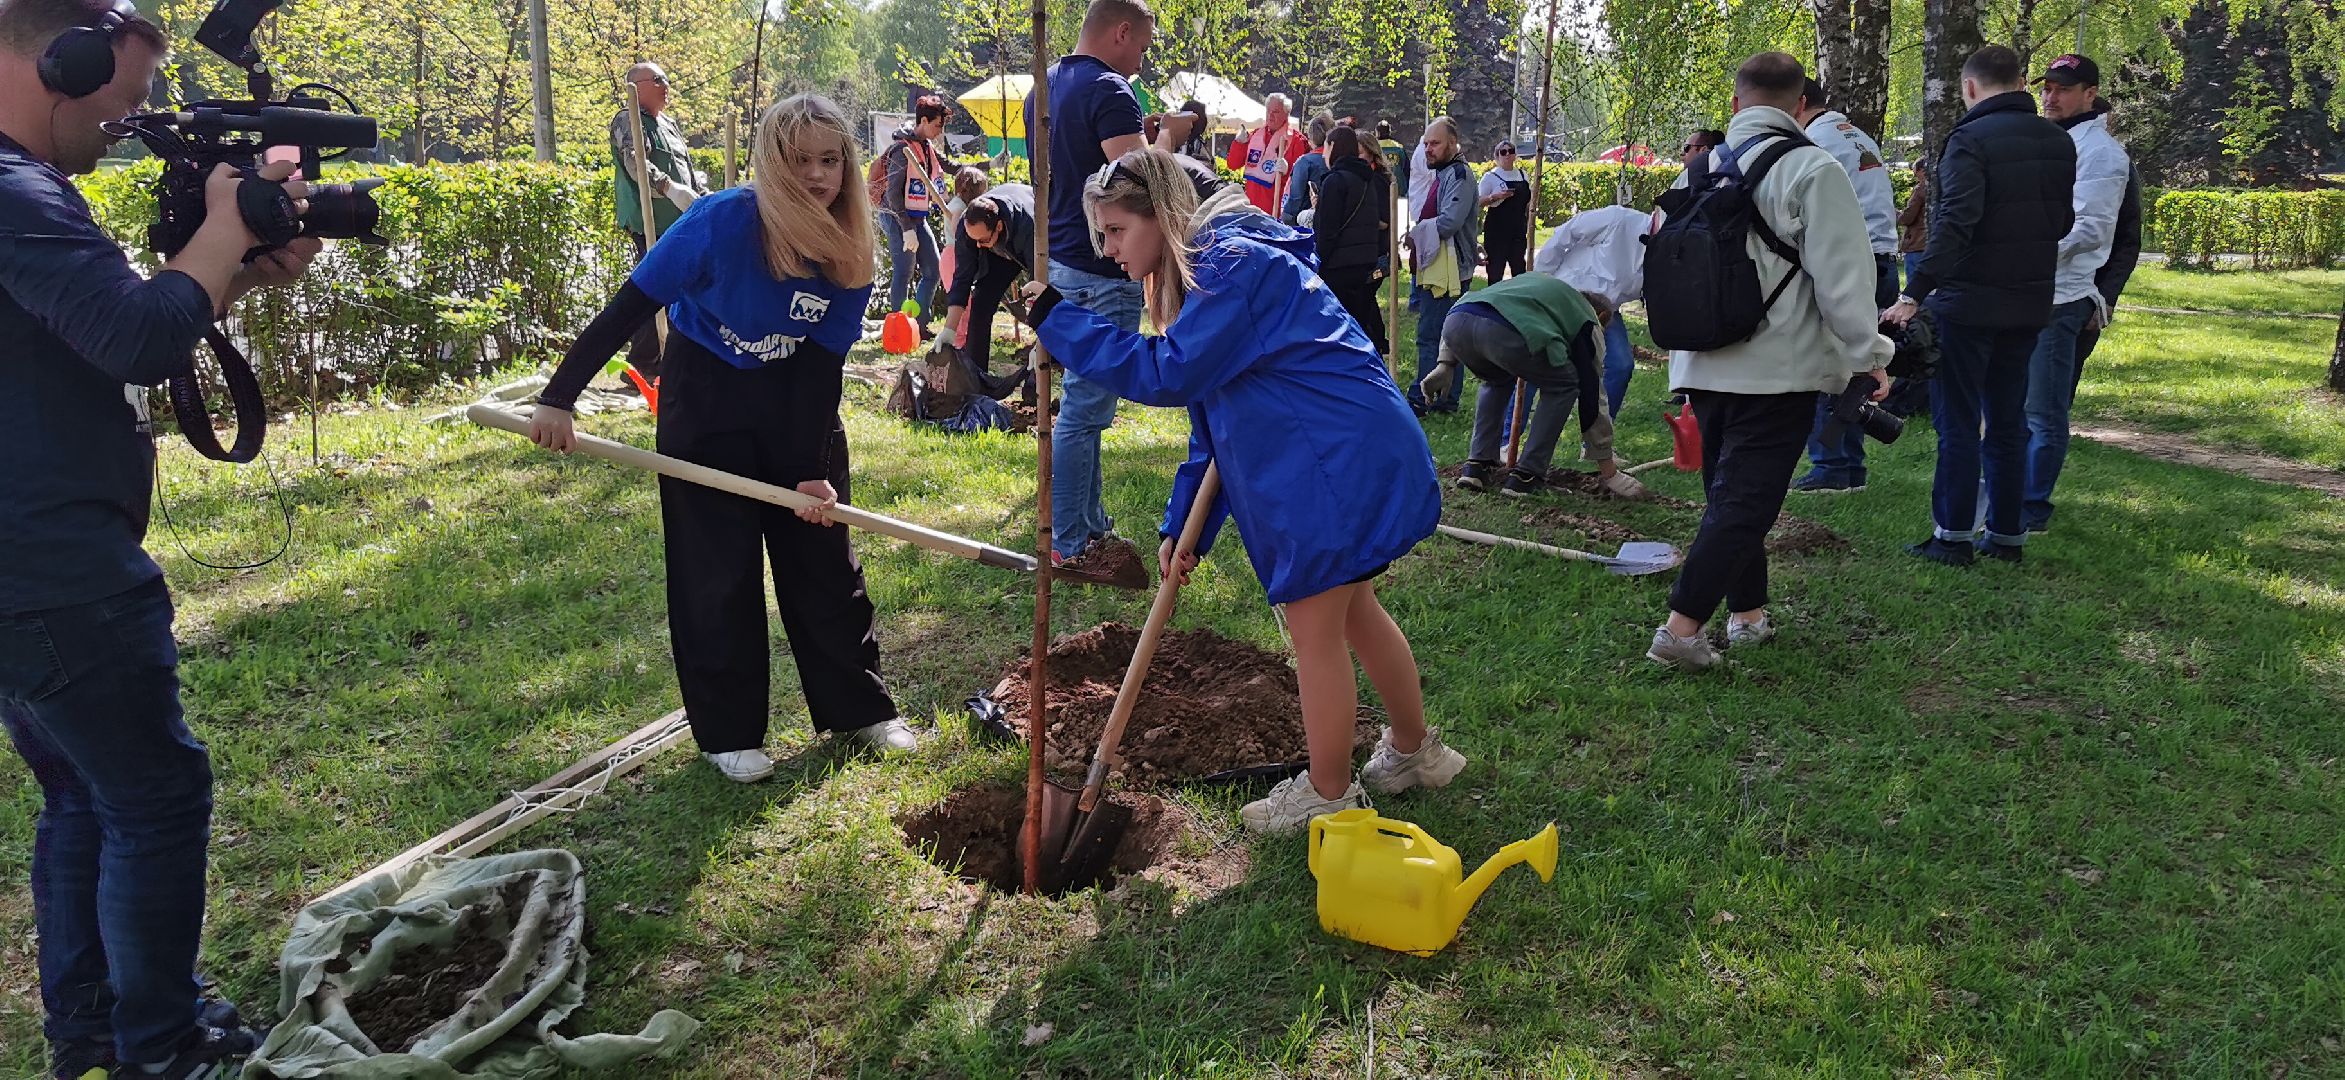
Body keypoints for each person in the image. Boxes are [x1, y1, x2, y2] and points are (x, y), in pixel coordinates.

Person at [2, 0, 323, 1075]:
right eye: (128, 99)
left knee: (84, 793)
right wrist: (228, 224)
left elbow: (96, 332)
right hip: (53, 566)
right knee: (153, 796)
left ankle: (93, 1022)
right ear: (66, 59)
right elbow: (139, 339)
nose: (129, 124)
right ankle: (165, 1046)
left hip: (30, 559)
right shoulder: (12, 193)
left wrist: (229, 268)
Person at [1023, 148, 1459, 834]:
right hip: (1346, 449)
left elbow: (1165, 374)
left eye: (1115, 232)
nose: (1107, 251)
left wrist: (1059, 322)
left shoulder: (1232, 267)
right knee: (1354, 613)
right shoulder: (1217, 270)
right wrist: (1182, 526)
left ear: (1161, 217)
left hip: (1331, 461)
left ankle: (1328, 793)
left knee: (1316, 629)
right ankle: (1415, 754)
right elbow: (1212, 417)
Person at [530, 94, 924, 780]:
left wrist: (806, 467)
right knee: (715, 567)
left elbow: (820, 368)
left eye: (829, 160)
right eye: (799, 160)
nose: (817, 175)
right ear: (772, 163)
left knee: (824, 558)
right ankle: (729, 734)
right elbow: (630, 305)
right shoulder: (720, 222)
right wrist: (559, 398)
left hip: (797, 396)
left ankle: (860, 709)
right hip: (705, 389)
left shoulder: (851, 244)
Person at [1644, 53, 1889, 671]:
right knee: (1745, 503)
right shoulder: (1812, 168)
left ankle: (1748, 615)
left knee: (1731, 498)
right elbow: (1844, 282)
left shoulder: (1695, 173)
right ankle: (1680, 630)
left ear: (1735, 105)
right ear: (1800, 105)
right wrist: (1871, 356)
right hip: (1778, 369)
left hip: (1701, 363)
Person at [1885, 44, 2074, 567]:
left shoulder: (1970, 138)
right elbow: (2063, 223)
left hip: (1969, 303)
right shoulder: (2057, 141)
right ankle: (2008, 535)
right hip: (2030, 299)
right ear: (2020, 82)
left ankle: (1952, 537)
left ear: (1970, 87)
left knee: (1960, 423)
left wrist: (1913, 294)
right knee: (2009, 421)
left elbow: (1956, 226)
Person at [1023, 0, 1155, 576]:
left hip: (1058, 266)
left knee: (1088, 408)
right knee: (1084, 410)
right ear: (1121, 31)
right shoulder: (1110, 90)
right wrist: (1163, 148)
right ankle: (1069, 541)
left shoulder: (1041, 88)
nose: (1141, 64)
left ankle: (1091, 524)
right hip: (1105, 266)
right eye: (1143, 49)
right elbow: (1139, 188)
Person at [2021, 53, 2131, 536]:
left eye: (2063, 89)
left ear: (2090, 94)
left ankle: (2032, 506)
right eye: (2047, 87)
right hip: (2025, 292)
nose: (2051, 96)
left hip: (2060, 296)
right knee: (2015, 406)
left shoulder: (2102, 153)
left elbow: (2090, 230)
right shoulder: (2047, 139)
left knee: (2044, 411)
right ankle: (2010, 493)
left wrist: (2020, 256)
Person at [1416, 273, 1649, 499]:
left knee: (1497, 379)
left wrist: (1445, 363)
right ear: (1602, 315)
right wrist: (1609, 472)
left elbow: (1477, 304)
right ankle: (1526, 476)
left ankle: (1478, 466)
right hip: (1506, 333)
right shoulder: (1587, 319)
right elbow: (1592, 395)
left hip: (1456, 323)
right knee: (1565, 385)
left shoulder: (1536, 287)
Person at [1790, 78, 1899, 494]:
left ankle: (1833, 466)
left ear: (1798, 105)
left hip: (1856, 260)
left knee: (1832, 365)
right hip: (1882, 258)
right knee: (1859, 368)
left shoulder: (1814, 144)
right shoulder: (1855, 136)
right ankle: (1848, 465)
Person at [611, 61, 703, 383]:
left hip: (679, 219)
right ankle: (641, 366)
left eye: (666, 78)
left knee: (685, 287)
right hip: (649, 220)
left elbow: (685, 168)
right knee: (653, 288)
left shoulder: (669, 124)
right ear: (637, 87)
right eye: (657, 80)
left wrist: (699, 194)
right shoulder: (628, 119)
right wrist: (667, 187)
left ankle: (673, 358)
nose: (665, 85)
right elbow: (635, 161)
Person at [1534, 201, 1653, 415]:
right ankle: (1506, 440)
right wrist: (1542, 277)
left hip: (1604, 313)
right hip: (1568, 295)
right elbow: (1567, 233)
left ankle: (1597, 444)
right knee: (1538, 360)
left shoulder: (1669, 256)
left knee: (1620, 365)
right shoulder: (1620, 219)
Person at [1404, 117, 1478, 415]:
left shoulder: (1458, 174)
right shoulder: (1445, 173)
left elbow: (1449, 222)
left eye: (1434, 144)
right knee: (1447, 337)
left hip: (1449, 271)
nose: (1428, 150)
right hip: (1441, 267)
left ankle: (1425, 397)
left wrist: (1416, 233)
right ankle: (1443, 398)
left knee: (1434, 336)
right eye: (1425, 144)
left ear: (1452, 143)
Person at [943, 178, 1036, 395]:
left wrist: (1042, 341)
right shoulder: (970, 227)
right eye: (974, 241)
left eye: (982, 241)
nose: (977, 246)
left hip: (1031, 242)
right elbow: (962, 279)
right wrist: (949, 330)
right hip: (999, 252)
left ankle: (1035, 377)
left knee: (1039, 304)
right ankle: (976, 378)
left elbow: (1043, 286)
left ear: (999, 227)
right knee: (981, 303)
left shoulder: (1029, 228)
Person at [1313, 125, 1391, 356]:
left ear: (1333, 147)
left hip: (1338, 267)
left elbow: (1327, 230)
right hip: (1364, 264)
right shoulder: (1367, 179)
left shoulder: (1335, 180)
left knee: (1338, 331)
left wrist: (1318, 262)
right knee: (1357, 326)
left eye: (1326, 147)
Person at [879, 94, 949, 336]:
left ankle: (918, 324)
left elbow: (950, 166)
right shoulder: (902, 150)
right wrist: (906, 228)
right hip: (897, 216)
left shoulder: (926, 148)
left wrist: (988, 165)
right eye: (938, 125)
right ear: (924, 121)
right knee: (904, 270)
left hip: (918, 217)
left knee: (933, 270)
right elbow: (892, 193)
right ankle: (898, 328)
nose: (940, 131)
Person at [1227, 92, 1308, 216]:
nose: (1270, 115)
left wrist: (1289, 171)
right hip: (1251, 209)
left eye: (1275, 112)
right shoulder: (1255, 136)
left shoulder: (1297, 141)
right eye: (1268, 111)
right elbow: (1233, 165)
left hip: (1276, 212)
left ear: (1286, 114)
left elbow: (1301, 182)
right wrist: (1239, 144)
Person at [1478, 140, 1531, 282]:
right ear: (1497, 156)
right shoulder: (1490, 177)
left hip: (1518, 229)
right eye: (1503, 152)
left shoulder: (1523, 175)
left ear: (1515, 155)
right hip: (1497, 230)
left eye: (1510, 151)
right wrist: (1495, 197)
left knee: (1519, 269)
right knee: (1495, 270)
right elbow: (1478, 202)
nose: (1507, 155)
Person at [1281, 114, 1332, 226]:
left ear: (1310, 138)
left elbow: (1295, 198)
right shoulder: (1338, 160)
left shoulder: (1305, 162)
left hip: (1305, 222)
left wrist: (1285, 218)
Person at [1377, 118, 1409, 192]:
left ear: (1377, 132)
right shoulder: (1399, 147)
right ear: (1389, 132)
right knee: (1401, 203)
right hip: (1399, 188)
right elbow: (1406, 169)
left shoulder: (1374, 147)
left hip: (1380, 189)